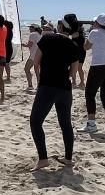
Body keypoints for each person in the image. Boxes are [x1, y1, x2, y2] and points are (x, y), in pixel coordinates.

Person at [30, 21, 80, 169]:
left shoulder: (47, 38)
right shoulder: (74, 46)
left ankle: (43, 159)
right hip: (65, 89)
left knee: (35, 122)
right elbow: (73, 72)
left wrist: (44, 74)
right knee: (65, 124)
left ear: (61, 27)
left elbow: (36, 62)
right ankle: (68, 158)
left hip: (47, 86)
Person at [83, 14, 105, 133]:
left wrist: (86, 36)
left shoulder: (94, 32)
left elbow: (86, 47)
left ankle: (91, 124)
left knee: (90, 94)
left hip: (98, 66)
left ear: (97, 23)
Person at [64, 14, 87, 89]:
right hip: (80, 51)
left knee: (77, 67)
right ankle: (77, 82)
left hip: (79, 52)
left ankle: (78, 82)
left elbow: (70, 37)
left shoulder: (77, 33)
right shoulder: (80, 32)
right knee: (77, 68)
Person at [23, 24, 42, 90]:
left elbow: (30, 45)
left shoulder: (33, 34)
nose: (29, 29)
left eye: (30, 27)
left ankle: (30, 85)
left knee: (26, 69)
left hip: (33, 55)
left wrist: (24, 45)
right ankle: (39, 85)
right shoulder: (40, 35)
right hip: (39, 55)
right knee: (37, 70)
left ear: (34, 28)